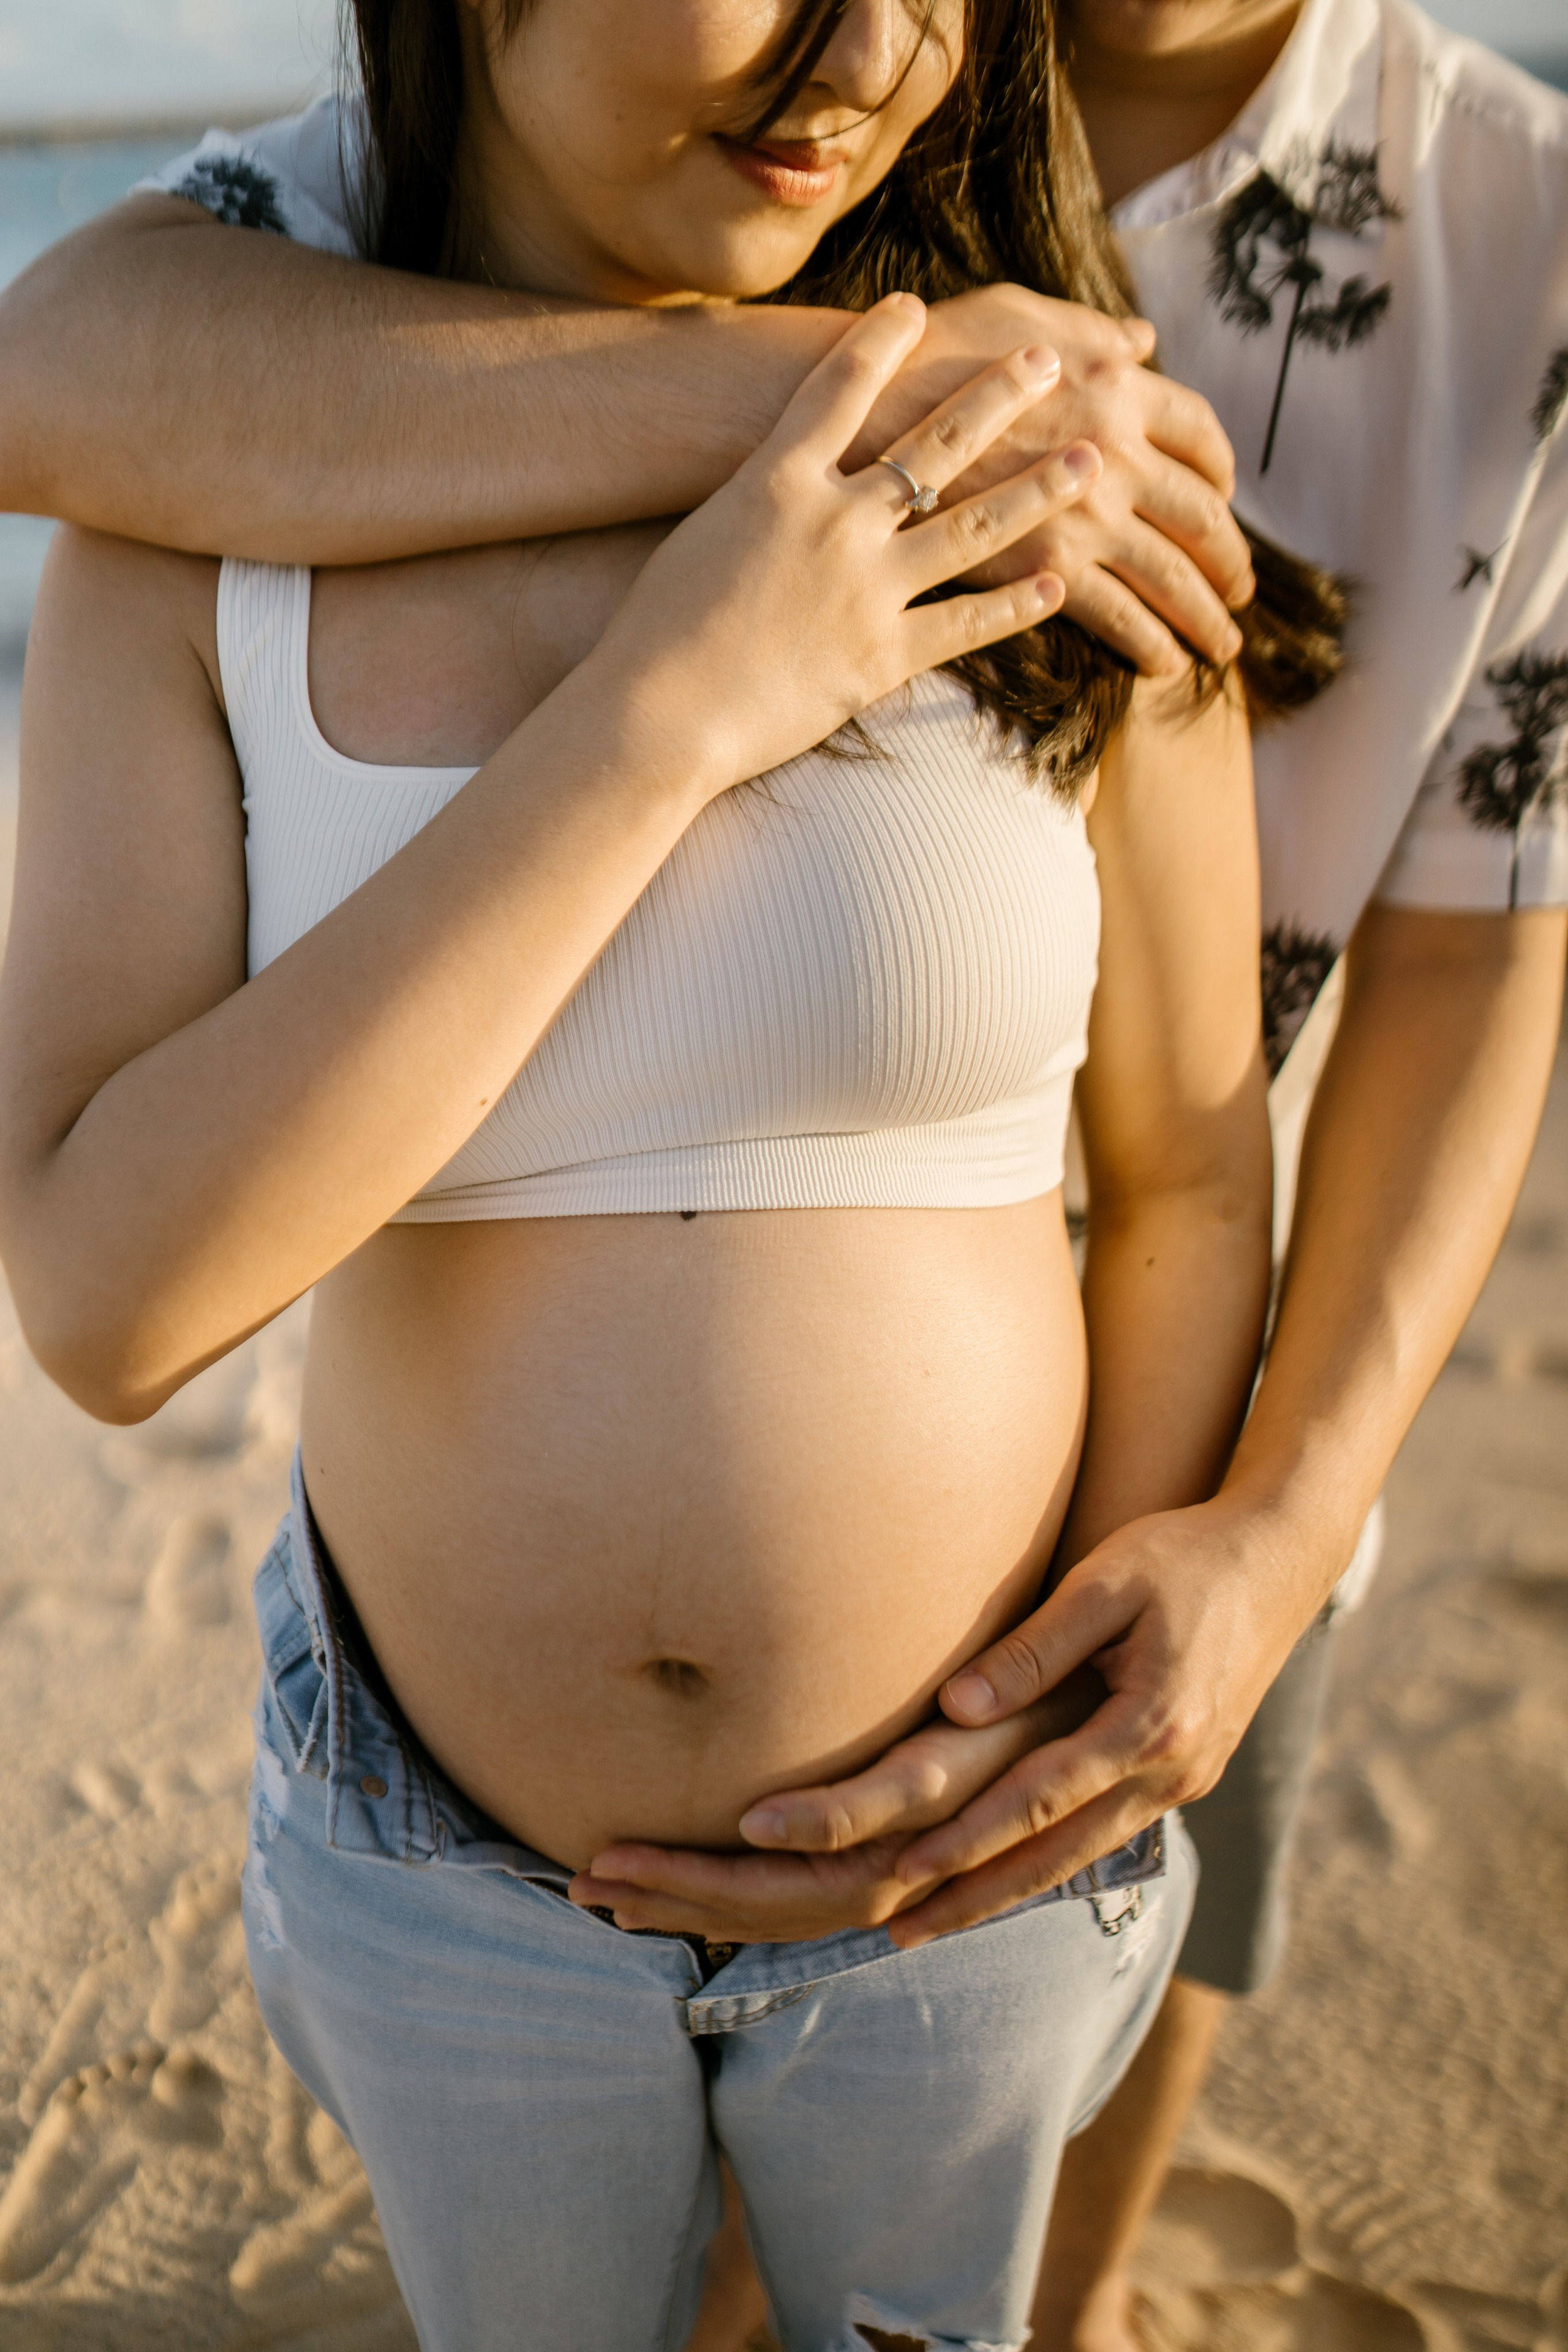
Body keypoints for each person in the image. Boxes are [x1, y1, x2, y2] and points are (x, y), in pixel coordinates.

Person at [1, 0, 1563, 2341]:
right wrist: (673, 708)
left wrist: (1062, 1735)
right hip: (451, 1896)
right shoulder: (208, 499)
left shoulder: (1071, 482)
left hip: (971, 1886)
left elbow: (1189, 1178)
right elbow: (110, 1311)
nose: (866, 54)